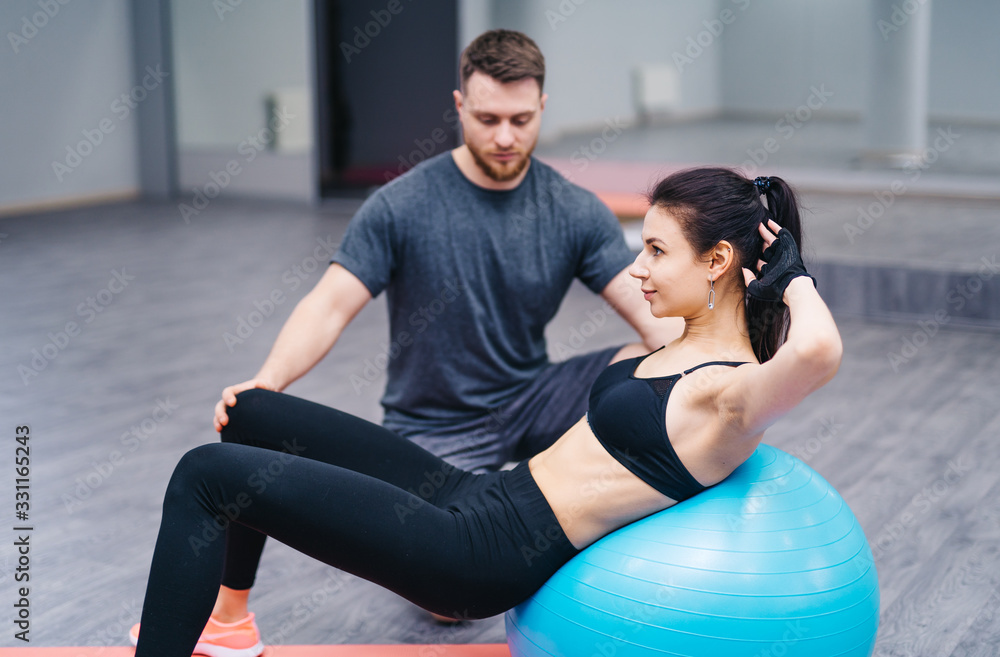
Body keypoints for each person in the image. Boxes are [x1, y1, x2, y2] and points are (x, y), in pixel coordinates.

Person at [130, 167, 843, 657]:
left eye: (657, 250)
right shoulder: (677, 343)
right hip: (474, 494)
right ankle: (228, 626)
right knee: (253, 411)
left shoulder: (729, 392)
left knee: (205, 475)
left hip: (476, 557)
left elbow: (816, 353)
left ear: (717, 261)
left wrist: (793, 281)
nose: (640, 268)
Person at [213, 28, 677, 474]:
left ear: (541, 106)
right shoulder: (401, 205)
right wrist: (268, 382)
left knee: (648, 370)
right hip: (434, 426)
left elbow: (647, 311)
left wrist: (718, 370)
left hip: (533, 397)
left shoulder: (574, 210)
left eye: (520, 120)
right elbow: (328, 307)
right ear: (460, 107)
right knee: (459, 535)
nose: (503, 138)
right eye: (487, 119)